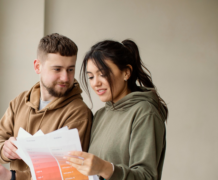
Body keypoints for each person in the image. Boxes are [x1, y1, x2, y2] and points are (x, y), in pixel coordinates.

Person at [0, 33, 92, 180]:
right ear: (37, 66)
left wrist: (12, 177)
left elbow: (65, 173)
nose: (65, 78)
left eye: (70, 69)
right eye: (57, 69)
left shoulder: (79, 113)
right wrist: (4, 150)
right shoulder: (20, 101)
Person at [65, 39, 168, 180]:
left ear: (126, 73)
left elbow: (146, 176)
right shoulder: (101, 115)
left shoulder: (145, 113)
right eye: (91, 76)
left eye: (103, 74)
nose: (96, 83)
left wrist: (104, 168)